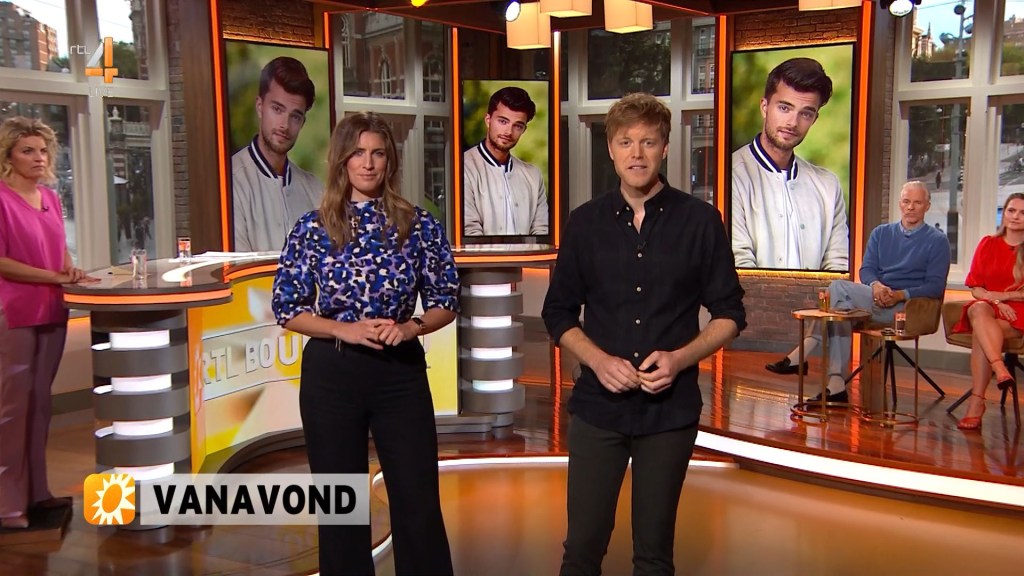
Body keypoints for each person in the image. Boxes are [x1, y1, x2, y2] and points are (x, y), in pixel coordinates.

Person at [542, 93, 746, 575]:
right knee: (581, 550)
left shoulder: (701, 222)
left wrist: (679, 359)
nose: (637, 154)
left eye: (648, 142)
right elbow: (558, 312)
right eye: (625, 142)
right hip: (598, 408)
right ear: (611, 150)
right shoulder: (585, 223)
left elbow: (730, 314)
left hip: (669, 412)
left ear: (665, 148)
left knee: (654, 555)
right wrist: (597, 360)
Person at [271, 112, 458, 574]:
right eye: (358, 153)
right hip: (332, 375)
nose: (368, 163)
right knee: (341, 506)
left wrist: (412, 327)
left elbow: (446, 300)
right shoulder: (312, 228)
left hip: (399, 373)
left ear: (390, 160)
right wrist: (344, 330)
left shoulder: (419, 225)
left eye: (377, 153)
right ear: (342, 160)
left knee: (417, 499)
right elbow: (287, 307)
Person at [765, 181, 950, 403]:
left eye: (917, 202)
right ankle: (835, 385)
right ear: (900, 204)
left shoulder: (937, 241)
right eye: (906, 201)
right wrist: (876, 286)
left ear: (927, 206)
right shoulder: (881, 233)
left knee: (838, 300)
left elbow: (935, 286)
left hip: (906, 309)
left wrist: (900, 295)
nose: (911, 207)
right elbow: (867, 270)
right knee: (839, 297)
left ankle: (806, 358)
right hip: (875, 299)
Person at [0, 116, 97, 529]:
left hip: (53, 308)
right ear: (8, 156)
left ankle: (37, 492)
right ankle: (7, 504)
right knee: (12, 408)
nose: (39, 158)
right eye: (28, 151)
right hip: (14, 312)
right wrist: (53, 276)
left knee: (40, 403)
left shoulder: (51, 198)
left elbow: (58, 250)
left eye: (43, 150)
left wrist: (69, 270)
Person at [732, 57, 849, 271]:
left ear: (814, 119)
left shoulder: (828, 186)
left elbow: (838, 266)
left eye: (805, 113)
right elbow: (739, 264)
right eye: (785, 108)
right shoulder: (731, 175)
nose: (793, 123)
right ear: (764, 107)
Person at [233, 56, 323, 252]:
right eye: (277, 109)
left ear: (303, 123)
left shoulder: (315, 189)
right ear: (260, 107)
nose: (284, 125)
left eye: (295, 116)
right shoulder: (232, 182)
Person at [949, 193, 1024, 430]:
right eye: (1011, 210)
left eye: (1022, 213)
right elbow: (976, 288)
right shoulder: (988, 244)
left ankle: (977, 401)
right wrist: (996, 301)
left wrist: (1005, 297)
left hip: (1018, 313)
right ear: (1004, 213)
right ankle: (999, 367)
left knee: (981, 334)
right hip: (989, 307)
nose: (1016, 216)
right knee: (979, 308)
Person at [463, 86, 548, 236]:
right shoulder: (463, 168)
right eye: (503, 121)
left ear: (524, 130)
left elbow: (541, 232)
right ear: (488, 120)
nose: (509, 132)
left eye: (518, 126)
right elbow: (469, 232)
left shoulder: (533, 176)